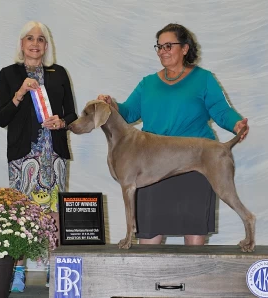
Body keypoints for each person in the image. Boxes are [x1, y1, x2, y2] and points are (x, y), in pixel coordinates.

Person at [98, 23, 249, 246]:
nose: (162, 51)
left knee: (194, 239)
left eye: (168, 45)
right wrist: (113, 105)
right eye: (159, 47)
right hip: (151, 163)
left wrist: (237, 125)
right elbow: (128, 113)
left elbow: (221, 110)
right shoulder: (147, 83)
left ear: (185, 48)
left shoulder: (203, 79)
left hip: (195, 161)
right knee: (148, 240)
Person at [0, 21, 77, 292]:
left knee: (53, 213)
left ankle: (55, 270)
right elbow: (2, 118)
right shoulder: (8, 74)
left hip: (53, 154)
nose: (35, 43)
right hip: (23, 156)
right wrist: (20, 93)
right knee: (21, 215)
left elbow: (72, 114)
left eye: (40, 39)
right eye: (29, 38)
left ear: (46, 45)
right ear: (21, 44)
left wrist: (60, 122)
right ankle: (17, 272)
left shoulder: (59, 73)